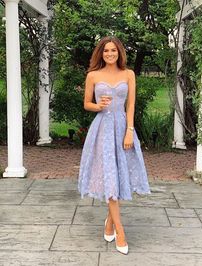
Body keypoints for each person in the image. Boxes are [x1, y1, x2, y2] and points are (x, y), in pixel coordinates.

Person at [78, 36, 151, 255]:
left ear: (119, 52)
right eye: (106, 51)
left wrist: (130, 131)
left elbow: (131, 105)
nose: (110, 54)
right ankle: (120, 231)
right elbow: (86, 103)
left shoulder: (129, 74)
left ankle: (109, 222)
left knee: (120, 176)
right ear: (101, 53)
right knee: (110, 176)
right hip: (102, 130)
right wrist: (97, 105)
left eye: (114, 50)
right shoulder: (93, 75)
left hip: (122, 128)